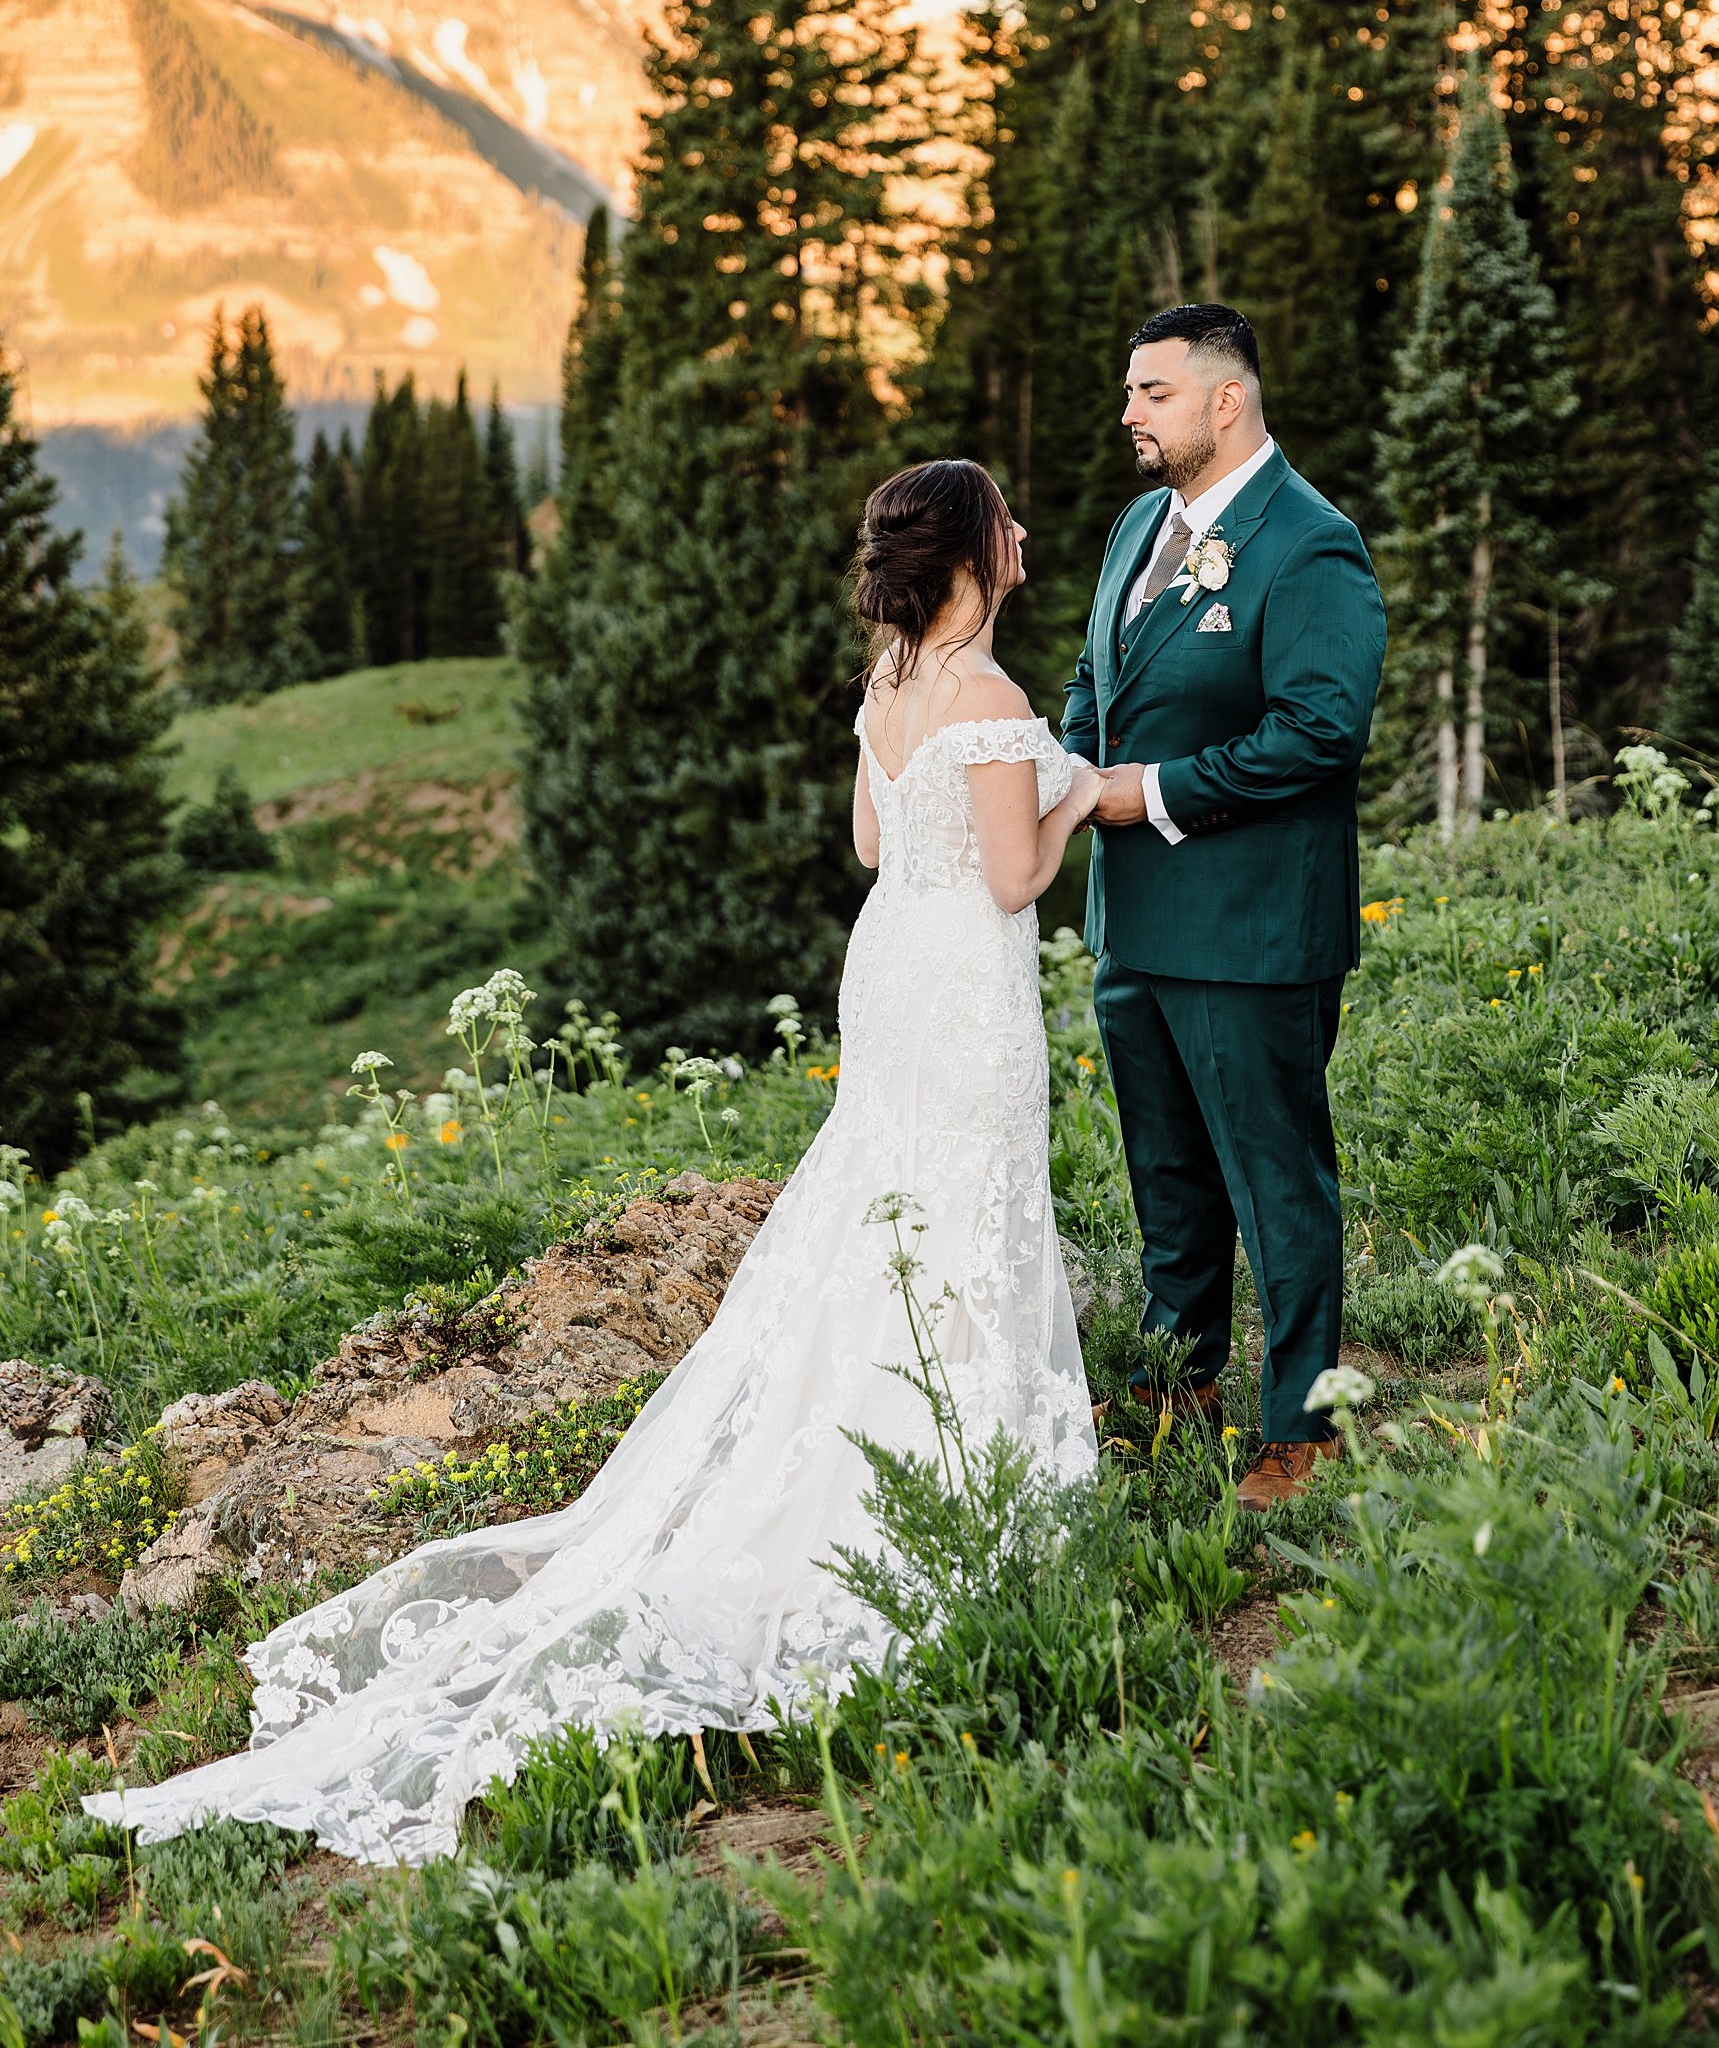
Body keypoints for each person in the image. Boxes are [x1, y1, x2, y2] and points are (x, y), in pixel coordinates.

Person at [88, 458, 1099, 1864]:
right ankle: (955, 1475)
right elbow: (1012, 878)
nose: (1028, 531)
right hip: (966, 981)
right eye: (1012, 518)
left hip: (891, 968)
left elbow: (876, 841)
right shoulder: (989, 701)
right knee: (962, 1205)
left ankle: (887, 1447)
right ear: (976, 551)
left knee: (888, 1201)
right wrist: (1079, 787)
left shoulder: (886, 685)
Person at [1064, 305, 1386, 1513]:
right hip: (1135, 919)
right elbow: (1096, 675)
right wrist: (1069, 767)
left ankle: (1307, 1427)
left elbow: (1318, 733)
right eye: (1131, 391)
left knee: (1275, 1178)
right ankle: (1178, 1377)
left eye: (1152, 392)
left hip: (1253, 929)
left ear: (1226, 400)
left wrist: (1142, 791)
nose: (1130, 413)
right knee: (1169, 1172)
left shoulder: (1311, 544)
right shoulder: (1137, 525)